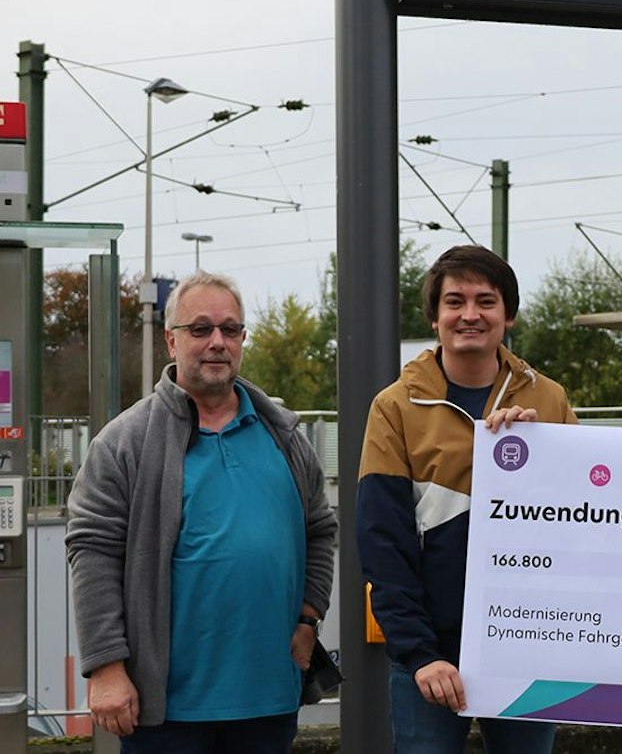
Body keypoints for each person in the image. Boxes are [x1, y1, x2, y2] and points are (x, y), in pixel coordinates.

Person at [66, 270, 338, 752]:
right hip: (168, 710)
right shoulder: (125, 442)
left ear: (242, 339)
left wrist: (308, 619)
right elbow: (93, 553)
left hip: (269, 700)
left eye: (230, 329)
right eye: (200, 329)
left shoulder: (284, 436)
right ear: (171, 341)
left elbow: (320, 530)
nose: (217, 342)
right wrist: (106, 667)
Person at [358, 244, 577, 754]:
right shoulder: (394, 408)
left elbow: (581, 522)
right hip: (432, 654)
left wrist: (540, 452)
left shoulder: (549, 400)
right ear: (435, 318)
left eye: (486, 301)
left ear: (509, 316)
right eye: (455, 301)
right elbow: (382, 544)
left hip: (528, 647)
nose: (470, 314)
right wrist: (419, 654)